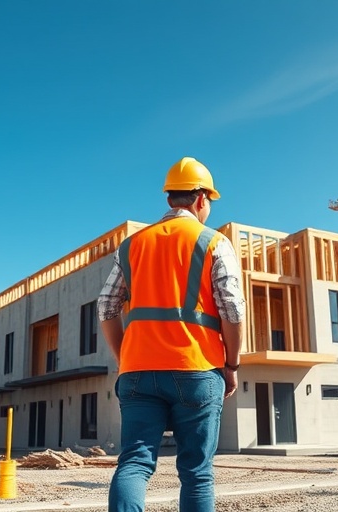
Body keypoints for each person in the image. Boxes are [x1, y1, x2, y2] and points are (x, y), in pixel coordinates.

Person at [98, 156, 246, 512]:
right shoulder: (214, 242)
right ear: (200, 200)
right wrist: (232, 365)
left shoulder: (131, 246)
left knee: (133, 463)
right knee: (196, 472)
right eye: (209, 200)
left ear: (169, 200)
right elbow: (233, 309)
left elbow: (105, 306)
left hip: (137, 373)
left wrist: (125, 360)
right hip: (197, 368)